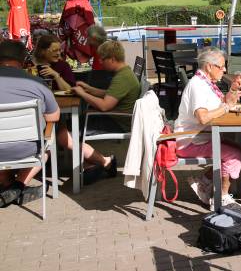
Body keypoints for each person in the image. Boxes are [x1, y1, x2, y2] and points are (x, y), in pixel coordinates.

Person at [174, 48, 241, 210]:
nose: (225, 70)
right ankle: (221, 198)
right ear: (208, 67)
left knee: (233, 148)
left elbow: (223, 103)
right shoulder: (198, 86)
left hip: (197, 138)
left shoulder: (205, 83)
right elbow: (203, 117)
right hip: (190, 141)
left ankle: (203, 183)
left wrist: (232, 89)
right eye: (221, 66)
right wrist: (226, 108)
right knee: (234, 153)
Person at [65, 40, 140, 181]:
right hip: (117, 118)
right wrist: (89, 88)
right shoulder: (124, 72)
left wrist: (82, 94)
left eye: (102, 59)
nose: (100, 61)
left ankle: (102, 162)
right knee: (70, 128)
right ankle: (92, 163)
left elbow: (105, 105)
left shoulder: (122, 78)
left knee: (67, 132)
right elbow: (110, 94)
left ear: (112, 59)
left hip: (118, 122)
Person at [0, 40, 60, 207]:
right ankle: (17, 187)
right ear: (22, 60)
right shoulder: (36, 83)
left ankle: (6, 185)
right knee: (47, 142)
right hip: (27, 149)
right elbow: (54, 117)